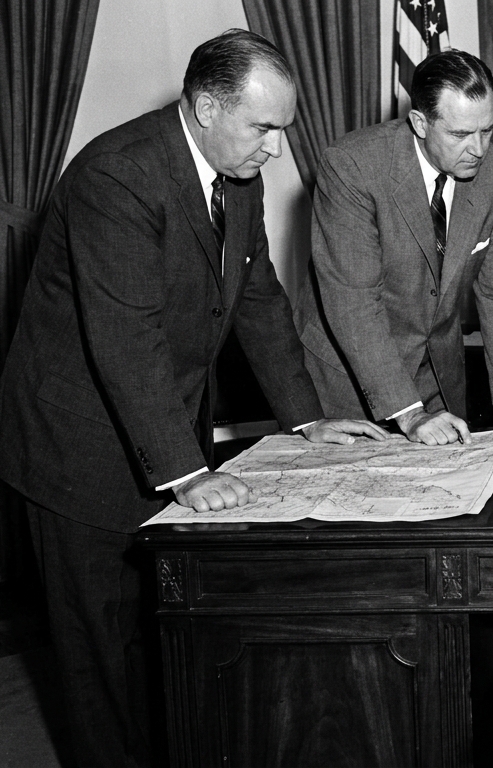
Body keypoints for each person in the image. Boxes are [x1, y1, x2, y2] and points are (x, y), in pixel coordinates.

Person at [0, 30, 387, 767]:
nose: (276, 149)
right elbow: (125, 336)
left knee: (165, 637)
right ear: (208, 107)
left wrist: (306, 419)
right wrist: (188, 471)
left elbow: (259, 304)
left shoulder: (238, 179)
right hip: (76, 449)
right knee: (102, 660)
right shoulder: (117, 176)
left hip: (162, 432)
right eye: (264, 127)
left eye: (284, 129)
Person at [294, 49, 493, 446]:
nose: (478, 148)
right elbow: (354, 303)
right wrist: (408, 415)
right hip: (349, 377)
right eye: (460, 134)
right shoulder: (353, 166)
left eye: (488, 130)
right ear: (420, 123)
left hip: (436, 375)